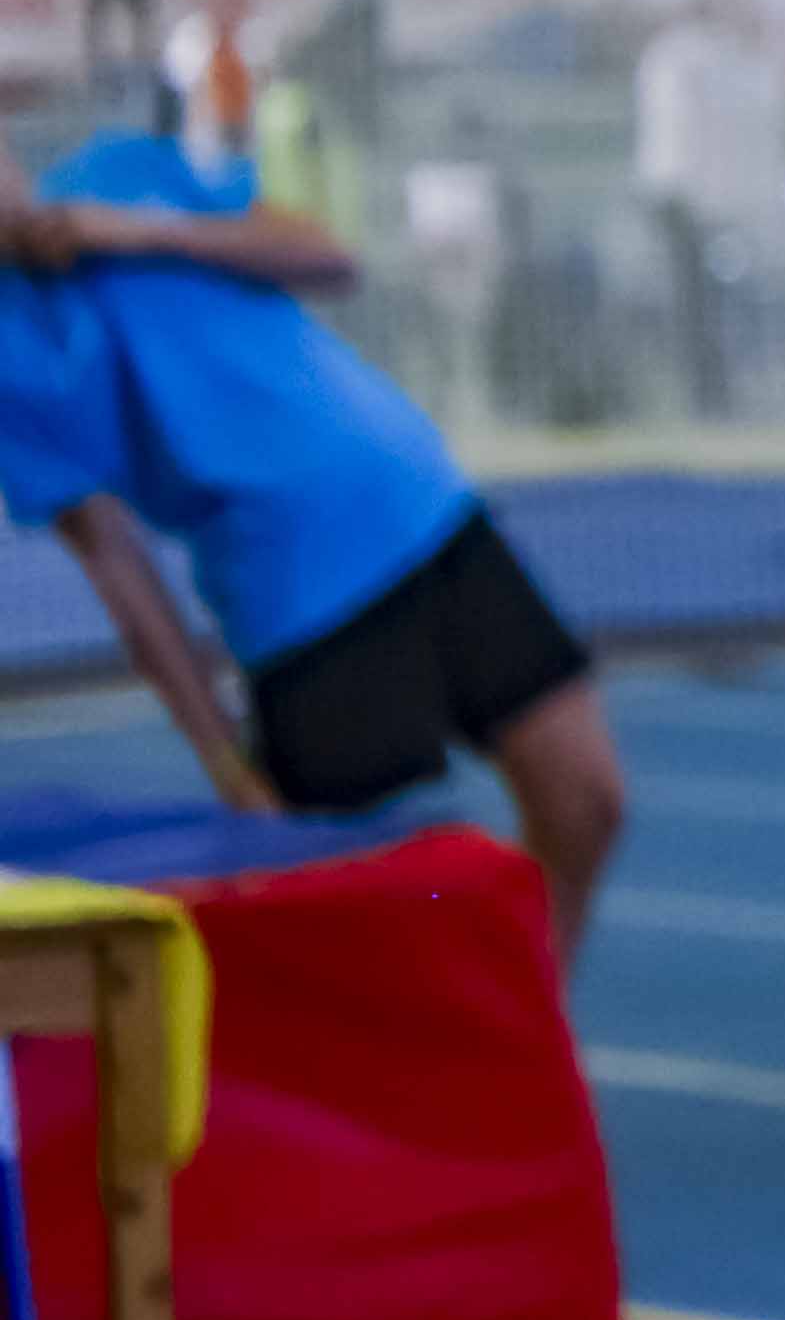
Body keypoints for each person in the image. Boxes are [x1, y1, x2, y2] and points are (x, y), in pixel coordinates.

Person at [0, 135, 625, 946]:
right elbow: (116, 565)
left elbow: (329, 258)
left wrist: (137, 230)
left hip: (430, 512)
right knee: (361, 923)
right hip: (301, 609)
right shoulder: (10, 355)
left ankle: (527, 1024)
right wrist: (226, 762)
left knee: (586, 802)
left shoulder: (126, 172)